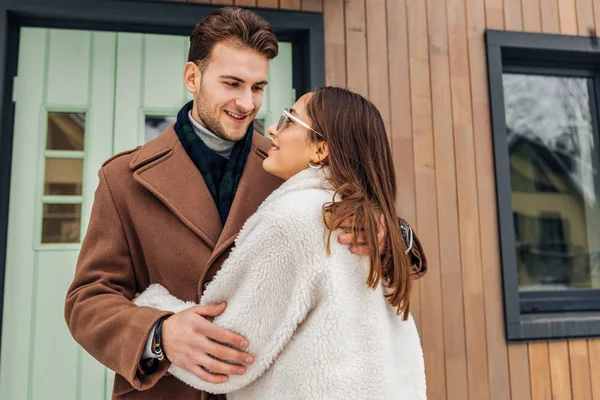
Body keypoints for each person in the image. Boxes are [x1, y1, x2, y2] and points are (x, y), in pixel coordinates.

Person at [64, 7, 427, 400]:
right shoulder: (123, 179)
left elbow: (374, 261)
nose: (247, 102)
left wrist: (393, 232)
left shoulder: (289, 169)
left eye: (257, 87)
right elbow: (88, 299)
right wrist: (159, 334)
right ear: (193, 77)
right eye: (232, 83)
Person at [134, 86, 427, 400]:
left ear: (320, 150)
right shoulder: (366, 219)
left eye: (289, 120)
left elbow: (227, 353)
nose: (272, 128)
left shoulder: (294, 219)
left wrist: (150, 307)